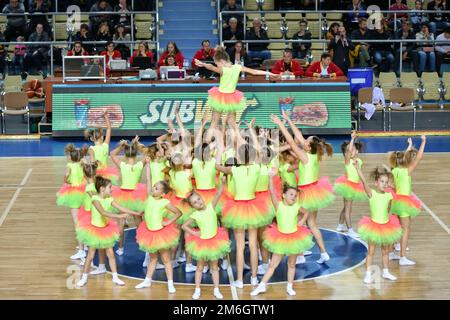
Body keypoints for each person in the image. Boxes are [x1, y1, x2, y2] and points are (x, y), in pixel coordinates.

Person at [271, 111, 335, 264]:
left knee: (297, 222)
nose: (303, 140)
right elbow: (298, 136)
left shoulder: (305, 157)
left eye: (306, 140)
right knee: (311, 224)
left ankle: (299, 255)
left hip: (306, 193)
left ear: (308, 147)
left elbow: (293, 142)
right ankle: (323, 253)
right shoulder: (313, 155)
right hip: (315, 192)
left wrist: (281, 125)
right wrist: (287, 119)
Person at [250, 174, 314, 296]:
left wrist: (301, 221)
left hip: (294, 237)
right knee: (272, 265)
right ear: (284, 195)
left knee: (291, 264)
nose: (293, 197)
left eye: (295, 196)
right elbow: (272, 191)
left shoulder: (296, 206)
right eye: (291, 195)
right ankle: (261, 286)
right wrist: (270, 178)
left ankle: (289, 286)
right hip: (280, 238)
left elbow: (306, 212)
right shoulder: (278, 205)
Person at [194, 46, 277, 137]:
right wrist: (270, 73)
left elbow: (210, 67)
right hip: (232, 98)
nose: (217, 65)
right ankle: (235, 144)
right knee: (232, 123)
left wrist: (203, 64)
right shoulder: (238, 67)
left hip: (220, 98)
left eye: (217, 63)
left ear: (221, 61)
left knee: (214, 122)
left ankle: (207, 142)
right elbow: (255, 72)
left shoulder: (222, 69)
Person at [76, 176, 141, 287]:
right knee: (90, 255)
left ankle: (115, 277)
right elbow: (103, 213)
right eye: (110, 187)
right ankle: (84, 277)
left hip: (105, 229)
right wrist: (119, 216)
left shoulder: (109, 199)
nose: (112, 189)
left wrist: (136, 213)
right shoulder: (95, 199)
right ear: (102, 189)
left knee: (111, 254)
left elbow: (122, 208)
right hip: (95, 230)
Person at [182, 179, 231, 300]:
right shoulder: (195, 215)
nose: (198, 202)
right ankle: (197, 289)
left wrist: (223, 184)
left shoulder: (211, 207)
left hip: (215, 241)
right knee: (199, 267)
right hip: (202, 243)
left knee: (214, 267)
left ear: (201, 198)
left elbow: (218, 194)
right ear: (193, 206)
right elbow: (184, 226)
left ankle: (216, 289)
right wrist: (194, 232)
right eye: (195, 203)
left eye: (198, 199)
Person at [355, 166, 402, 284]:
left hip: (386, 226)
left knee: (386, 251)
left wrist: (390, 180)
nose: (384, 184)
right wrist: (357, 169)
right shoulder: (372, 194)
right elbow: (364, 181)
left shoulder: (389, 195)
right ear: (376, 183)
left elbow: (388, 208)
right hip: (374, 227)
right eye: (382, 182)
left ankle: (386, 271)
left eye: (386, 182)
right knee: (371, 251)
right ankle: (367, 274)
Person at [134, 180, 182, 293]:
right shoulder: (149, 198)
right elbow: (148, 179)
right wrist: (147, 165)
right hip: (149, 233)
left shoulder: (164, 202)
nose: (153, 188)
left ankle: (170, 283)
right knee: (153, 258)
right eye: (154, 187)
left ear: (162, 194)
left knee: (166, 259)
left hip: (161, 235)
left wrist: (168, 222)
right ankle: (147, 281)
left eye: (156, 188)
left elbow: (178, 213)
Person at [388, 136, 426, 266]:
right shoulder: (407, 171)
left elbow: (403, 157)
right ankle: (402, 257)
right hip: (404, 204)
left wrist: (409, 146)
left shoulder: (394, 170)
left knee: (396, 228)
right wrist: (423, 142)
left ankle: (392, 253)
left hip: (395, 202)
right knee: (405, 230)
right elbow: (419, 157)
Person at [110, 137, 148, 256]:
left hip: (122, 196)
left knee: (121, 223)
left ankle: (120, 248)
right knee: (139, 223)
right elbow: (147, 154)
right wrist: (137, 144)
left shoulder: (123, 165)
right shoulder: (139, 165)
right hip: (137, 195)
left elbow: (112, 154)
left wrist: (122, 146)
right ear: (136, 154)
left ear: (125, 155)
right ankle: (145, 246)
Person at [56, 144, 89, 261]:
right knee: (85, 220)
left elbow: (65, 179)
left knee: (77, 223)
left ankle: (81, 250)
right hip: (84, 193)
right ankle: (85, 244)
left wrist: (69, 182)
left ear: (71, 157)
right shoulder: (83, 165)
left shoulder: (69, 165)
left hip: (74, 195)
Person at [334, 131, 366, 238]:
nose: (350, 151)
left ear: (357, 151)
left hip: (355, 186)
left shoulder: (359, 161)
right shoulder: (347, 161)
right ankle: (350, 230)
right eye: (348, 150)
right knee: (348, 209)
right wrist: (352, 139)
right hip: (348, 186)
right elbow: (348, 152)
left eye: (352, 149)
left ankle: (340, 225)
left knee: (347, 207)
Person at [85, 112, 120, 185]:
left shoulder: (91, 149)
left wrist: (95, 162)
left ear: (92, 139)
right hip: (106, 174)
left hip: (96, 174)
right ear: (102, 137)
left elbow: (92, 162)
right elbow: (109, 129)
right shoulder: (105, 145)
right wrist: (106, 116)